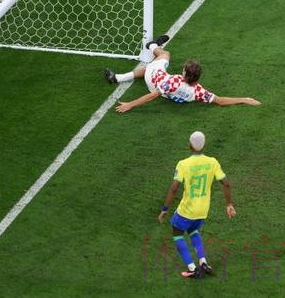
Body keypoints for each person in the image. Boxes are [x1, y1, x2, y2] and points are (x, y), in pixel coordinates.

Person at [104, 34, 261, 112]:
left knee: (165, 55)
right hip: (165, 90)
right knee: (157, 64)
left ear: (184, 73)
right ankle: (118, 77)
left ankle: (151, 46)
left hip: (153, 79)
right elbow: (220, 101)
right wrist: (244, 99)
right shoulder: (198, 91)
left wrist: (130, 105)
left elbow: (152, 96)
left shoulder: (174, 81)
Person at [158, 131, 236, 278]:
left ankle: (192, 268)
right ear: (204, 145)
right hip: (203, 211)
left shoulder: (183, 164)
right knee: (193, 231)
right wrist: (229, 204)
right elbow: (226, 183)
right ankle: (203, 262)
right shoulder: (212, 162)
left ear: (189, 145)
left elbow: (174, 189)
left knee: (177, 233)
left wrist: (165, 209)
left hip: (187, 210)